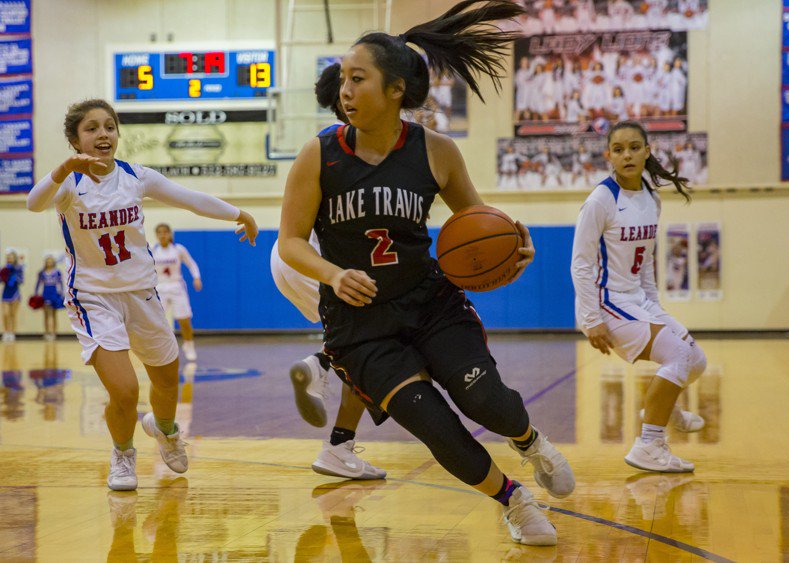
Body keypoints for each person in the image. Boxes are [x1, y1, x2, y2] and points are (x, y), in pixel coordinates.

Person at [278, 0, 574, 546]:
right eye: (341, 78)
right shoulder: (317, 155)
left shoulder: (436, 152)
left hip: (430, 303)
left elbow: (478, 225)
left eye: (357, 78)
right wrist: (333, 272)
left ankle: (530, 441)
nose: (343, 90)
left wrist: (514, 245)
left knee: (487, 403)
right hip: (360, 327)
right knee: (438, 429)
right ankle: (515, 500)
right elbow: (290, 243)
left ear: (396, 91)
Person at [26, 99, 258, 491]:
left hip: (142, 293)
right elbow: (33, 204)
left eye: (109, 126)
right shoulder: (67, 183)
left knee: (168, 380)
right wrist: (65, 168)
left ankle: (165, 430)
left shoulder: (136, 176)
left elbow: (191, 198)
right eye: (92, 128)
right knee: (125, 390)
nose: (103, 134)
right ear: (74, 139)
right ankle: (122, 453)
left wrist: (240, 213)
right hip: (93, 297)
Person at [571, 120, 707, 474]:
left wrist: (657, 310)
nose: (627, 154)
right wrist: (590, 320)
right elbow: (581, 265)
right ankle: (649, 443)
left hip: (636, 299)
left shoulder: (651, 197)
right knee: (678, 354)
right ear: (608, 157)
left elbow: (646, 263)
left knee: (697, 359)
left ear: (648, 151)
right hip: (606, 302)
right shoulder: (601, 200)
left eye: (634, 147)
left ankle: (664, 408)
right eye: (618, 149)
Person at [270, 62, 386, 480]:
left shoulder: (323, 145)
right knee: (374, 344)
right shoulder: (351, 150)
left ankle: (338, 442)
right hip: (316, 257)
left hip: (289, 256)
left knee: (371, 346)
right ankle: (322, 371)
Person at [152, 223, 202, 362]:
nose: (163, 235)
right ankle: (160, 348)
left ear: (169, 234)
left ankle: (189, 345)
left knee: (184, 319)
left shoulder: (178, 249)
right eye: (160, 232)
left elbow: (191, 264)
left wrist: (196, 277)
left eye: (165, 232)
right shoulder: (153, 250)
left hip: (176, 285)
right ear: (157, 235)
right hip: (160, 287)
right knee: (157, 321)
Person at [34, 255, 65, 341]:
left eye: (51, 261)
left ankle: (54, 333)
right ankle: (46, 332)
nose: (49, 263)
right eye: (47, 261)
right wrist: (36, 294)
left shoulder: (57, 272)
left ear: (53, 262)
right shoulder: (42, 272)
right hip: (45, 293)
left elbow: (60, 283)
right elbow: (38, 283)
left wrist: (62, 294)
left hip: (54, 293)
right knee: (46, 314)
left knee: (54, 314)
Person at [1, 250, 24, 342]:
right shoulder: (4, 268)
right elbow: (1, 280)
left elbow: (22, 280)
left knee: (13, 315)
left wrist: (15, 278)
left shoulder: (19, 268)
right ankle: (6, 332)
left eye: (11, 257)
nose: (10, 258)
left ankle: (12, 333)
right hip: (6, 293)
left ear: (15, 258)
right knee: (5, 314)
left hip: (15, 293)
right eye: (8, 257)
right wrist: (4, 276)